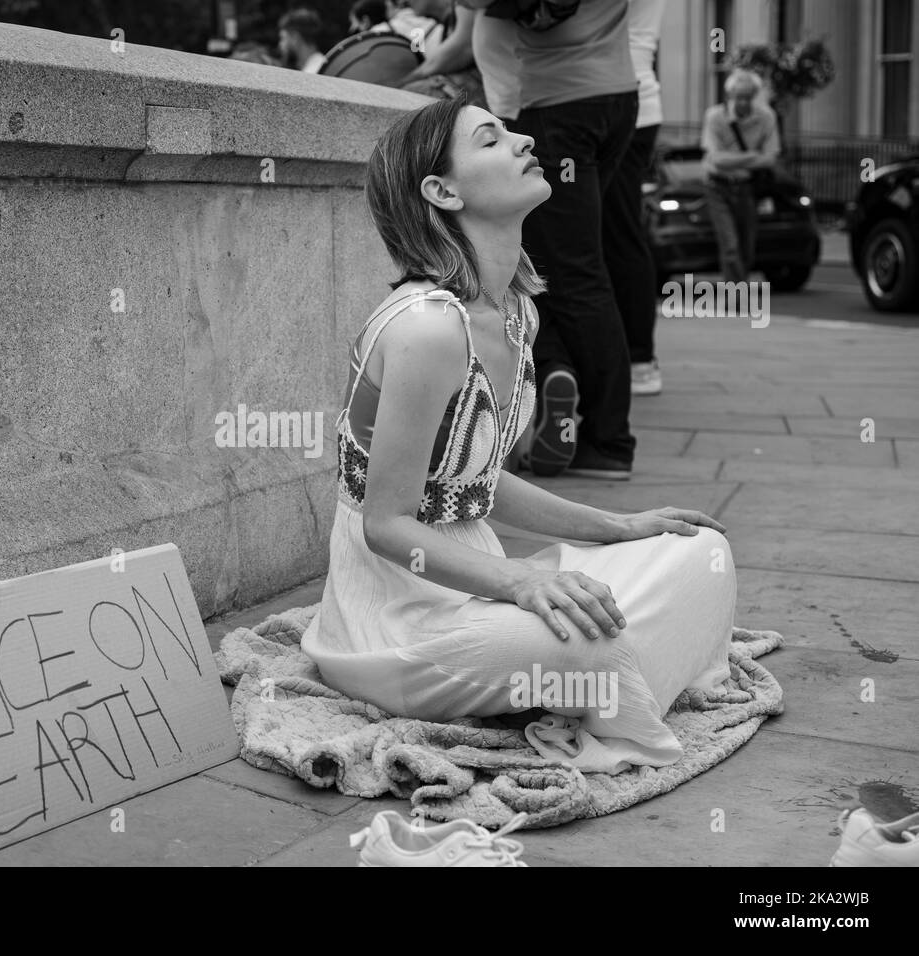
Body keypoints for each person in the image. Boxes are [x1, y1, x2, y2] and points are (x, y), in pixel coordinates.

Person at [300, 93, 736, 774]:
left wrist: (620, 527)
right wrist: (519, 586)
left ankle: (616, 673)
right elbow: (386, 524)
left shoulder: (515, 311)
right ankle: (617, 679)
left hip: (479, 583)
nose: (525, 141)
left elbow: (478, 480)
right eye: (491, 139)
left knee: (700, 550)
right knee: (592, 648)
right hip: (397, 622)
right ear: (442, 190)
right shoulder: (425, 328)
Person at [475, 0, 640, 481]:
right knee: (567, 259)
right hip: (617, 97)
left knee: (570, 269)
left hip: (557, 102)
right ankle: (556, 371)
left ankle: (609, 439)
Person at [603, 0, 665, 396]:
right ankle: (637, 357)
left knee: (617, 236)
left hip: (618, 101)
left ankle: (639, 360)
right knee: (619, 234)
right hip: (635, 102)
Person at [701, 69, 780, 283]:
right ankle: (734, 296)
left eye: (748, 97)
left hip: (747, 187)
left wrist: (734, 159)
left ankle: (739, 286)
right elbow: (716, 160)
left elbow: (771, 158)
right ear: (729, 96)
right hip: (717, 186)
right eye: (739, 97)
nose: (743, 103)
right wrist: (753, 156)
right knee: (730, 246)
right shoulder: (715, 117)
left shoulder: (766, 117)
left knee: (746, 246)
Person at [278, 8, 327, 73]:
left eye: (283, 38)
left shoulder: (314, 71)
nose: (280, 44)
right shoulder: (318, 65)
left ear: (295, 37)